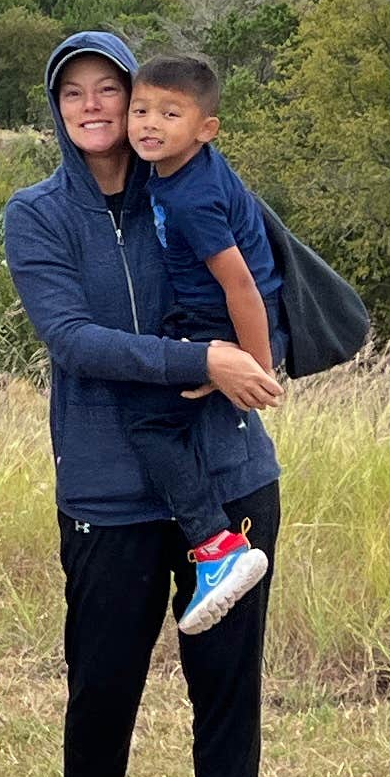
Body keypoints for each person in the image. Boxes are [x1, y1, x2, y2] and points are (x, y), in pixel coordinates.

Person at [0, 30, 289, 777]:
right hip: (105, 483)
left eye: (109, 91)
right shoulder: (37, 213)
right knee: (102, 675)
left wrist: (255, 355)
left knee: (226, 682)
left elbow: (261, 286)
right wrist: (200, 357)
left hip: (228, 472)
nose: (92, 107)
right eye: (72, 93)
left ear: (143, 102)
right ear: (56, 110)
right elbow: (73, 340)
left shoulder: (198, 190)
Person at [123, 52, 283, 634]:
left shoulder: (190, 197)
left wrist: (253, 369)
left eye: (170, 113)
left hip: (217, 321)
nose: (149, 125)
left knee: (148, 422)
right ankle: (217, 541)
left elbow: (240, 282)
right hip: (204, 317)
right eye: (141, 110)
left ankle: (218, 547)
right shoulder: (184, 171)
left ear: (206, 129)